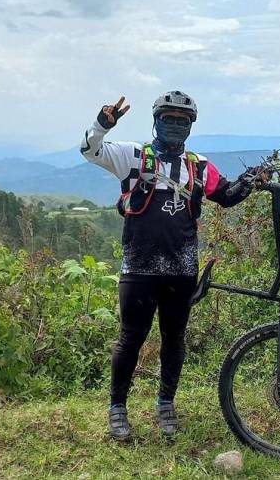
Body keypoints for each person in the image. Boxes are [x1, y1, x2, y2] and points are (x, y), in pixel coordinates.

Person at [79, 91, 254, 441]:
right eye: (168, 119)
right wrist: (103, 124)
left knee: (174, 339)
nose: (174, 125)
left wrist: (252, 182)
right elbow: (90, 151)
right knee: (131, 339)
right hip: (139, 269)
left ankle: (166, 403)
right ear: (155, 121)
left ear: (190, 126)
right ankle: (117, 409)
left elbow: (226, 196)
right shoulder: (132, 156)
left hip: (182, 270)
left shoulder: (200, 167)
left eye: (182, 120)